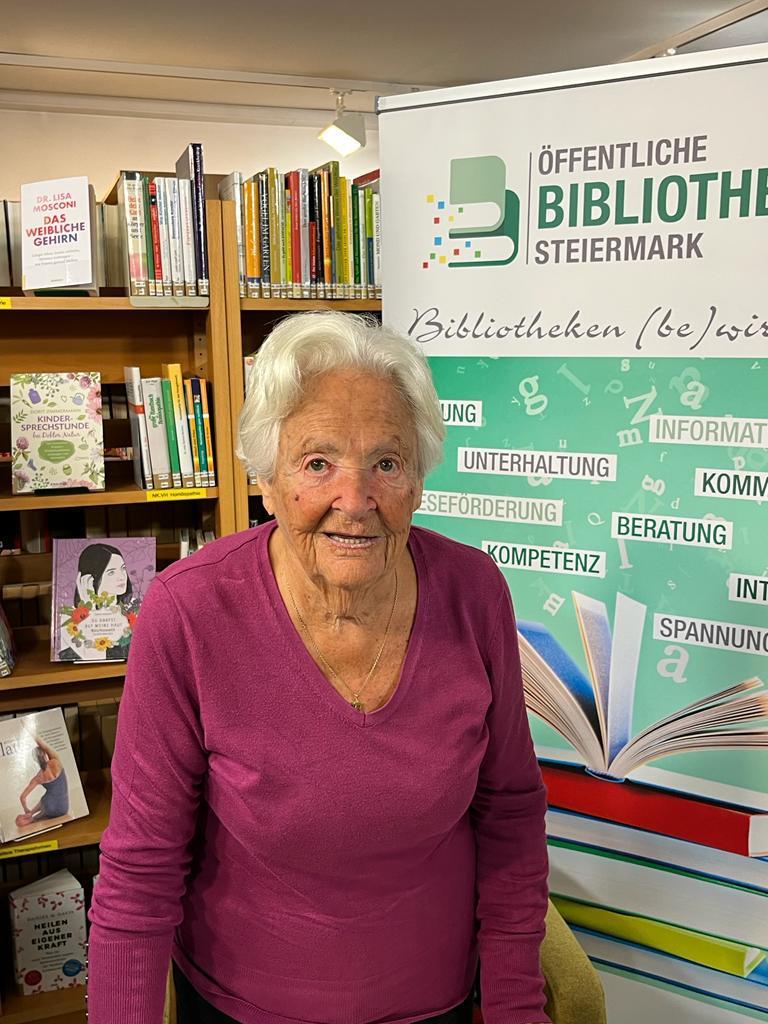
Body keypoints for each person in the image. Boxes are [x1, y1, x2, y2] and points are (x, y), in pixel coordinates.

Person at [87, 312, 551, 1024]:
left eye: (386, 463)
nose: (355, 500)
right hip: (245, 1008)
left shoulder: (474, 591)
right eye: (317, 463)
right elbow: (141, 869)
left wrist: (515, 1010)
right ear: (267, 482)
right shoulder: (190, 612)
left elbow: (511, 813)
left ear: (418, 483)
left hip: (442, 1003)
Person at [58, 543, 133, 662]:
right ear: (89, 578)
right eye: (111, 572)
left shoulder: (132, 610)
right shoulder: (68, 619)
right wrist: (89, 609)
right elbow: (95, 657)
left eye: (123, 568)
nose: (122, 577)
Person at [15, 730, 69, 829]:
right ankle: (32, 816)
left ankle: (30, 815)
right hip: (63, 808)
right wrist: (28, 729)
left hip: (49, 808)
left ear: (36, 760)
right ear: (45, 754)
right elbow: (42, 744)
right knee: (51, 795)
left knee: (47, 797)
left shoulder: (37, 777)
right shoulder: (56, 762)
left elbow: (22, 797)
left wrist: (26, 809)